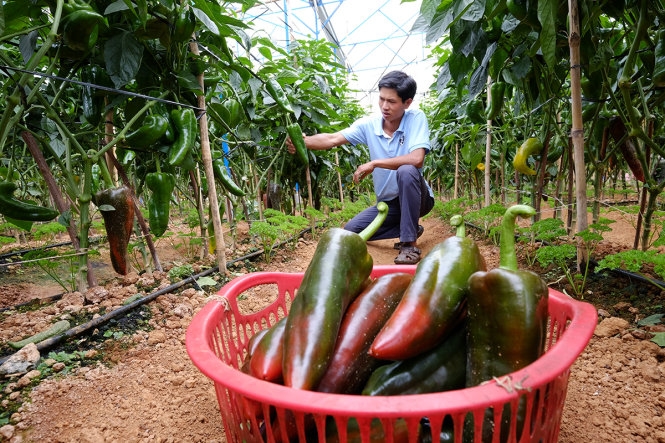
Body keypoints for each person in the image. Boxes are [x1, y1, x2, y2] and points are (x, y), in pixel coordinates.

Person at [286, 70, 434, 264]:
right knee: (351, 231)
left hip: (418, 198)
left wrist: (374, 163)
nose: (384, 106)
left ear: (407, 103)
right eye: (381, 99)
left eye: (392, 101)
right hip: (390, 204)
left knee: (406, 170)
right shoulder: (369, 125)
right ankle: (408, 227)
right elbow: (333, 139)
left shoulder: (416, 118)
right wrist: (302, 142)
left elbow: (416, 159)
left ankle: (409, 245)